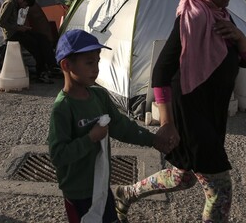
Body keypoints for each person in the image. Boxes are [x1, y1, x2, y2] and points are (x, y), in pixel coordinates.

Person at [113, 0, 246, 223]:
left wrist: (240, 38)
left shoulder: (223, 16)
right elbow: (160, 73)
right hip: (189, 113)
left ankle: (125, 194)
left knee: (183, 175)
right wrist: (166, 123)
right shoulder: (188, 20)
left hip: (213, 111)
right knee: (220, 188)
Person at [48, 29, 173, 223]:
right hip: (78, 192)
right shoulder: (63, 108)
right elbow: (59, 155)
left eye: (97, 61)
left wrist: (153, 140)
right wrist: (90, 138)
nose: (96, 68)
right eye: (89, 62)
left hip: (101, 185)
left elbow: (122, 127)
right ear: (66, 64)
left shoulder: (100, 96)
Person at [0, 0, 56, 84]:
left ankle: (51, 65)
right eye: (25, 5)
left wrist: (22, 27)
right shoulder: (10, 4)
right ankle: (41, 73)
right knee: (35, 46)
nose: (24, 7)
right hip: (12, 35)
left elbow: (10, 22)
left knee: (42, 38)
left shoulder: (15, 4)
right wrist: (18, 28)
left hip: (16, 31)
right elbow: (1, 23)